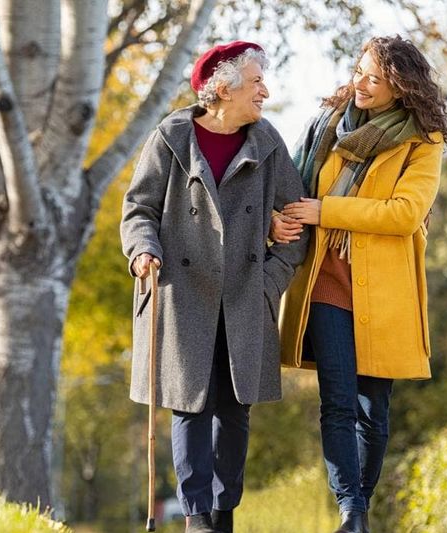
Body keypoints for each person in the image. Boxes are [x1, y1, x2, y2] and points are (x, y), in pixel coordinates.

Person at [270, 35, 447, 533]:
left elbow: (404, 213)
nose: (361, 84)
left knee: (373, 410)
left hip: (385, 291)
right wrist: (278, 219)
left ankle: (360, 510)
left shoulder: (422, 142)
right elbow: (291, 187)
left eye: (375, 78)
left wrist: (327, 211)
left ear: (401, 87)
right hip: (325, 281)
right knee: (337, 401)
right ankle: (350, 508)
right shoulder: (328, 125)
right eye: (359, 71)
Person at [120, 41, 309, 533]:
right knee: (191, 406)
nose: (265, 92)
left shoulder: (267, 142)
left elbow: (297, 222)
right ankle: (197, 517)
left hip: (245, 295)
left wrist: (269, 282)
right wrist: (142, 251)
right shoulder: (171, 137)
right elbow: (139, 210)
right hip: (183, 294)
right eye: (257, 82)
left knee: (235, 409)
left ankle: (225, 512)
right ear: (223, 89)